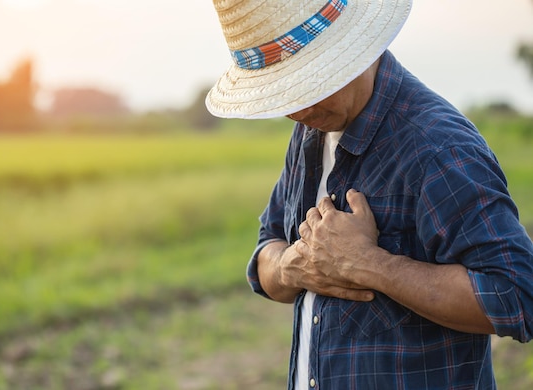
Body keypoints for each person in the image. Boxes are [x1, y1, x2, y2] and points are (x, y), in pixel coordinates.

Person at [205, 0, 533, 389]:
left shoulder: (437, 147)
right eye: (283, 93)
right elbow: (266, 260)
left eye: (307, 83)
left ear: (355, 50)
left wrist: (371, 264)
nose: (297, 108)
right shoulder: (311, 129)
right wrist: (294, 264)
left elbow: (517, 296)